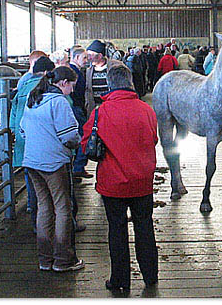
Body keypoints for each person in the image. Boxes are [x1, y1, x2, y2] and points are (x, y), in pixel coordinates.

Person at [81, 64, 158, 292]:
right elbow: (154, 139)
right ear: (131, 83)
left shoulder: (100, 113)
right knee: (145, 227)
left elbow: (87, 145)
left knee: (117, 229)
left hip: (112, 183)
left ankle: (120, 281)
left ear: (110, 84)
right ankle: (150, 275)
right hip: (142, 181)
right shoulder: (146, 110)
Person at [20, 66, 84, 272]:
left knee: (44, 207)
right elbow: (69, 136)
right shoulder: (59, 102)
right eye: (72, 86)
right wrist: (77, 144)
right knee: (63, 208)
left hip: (31, 162)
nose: (73, 91)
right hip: (54, 163)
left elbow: (22, 130)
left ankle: (45, 258)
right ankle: (63, 259)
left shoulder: (34, 98)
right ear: (63, 83)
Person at [9, 56, 56, 231]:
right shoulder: (44, 88)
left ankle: (32, 208)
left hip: (24, 138)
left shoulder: (22, 86)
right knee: (48, 182)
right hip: (41, 138)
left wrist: (15, 130)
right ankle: (48, 219)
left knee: (30, 175)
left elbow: (13, 114)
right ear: (45, 72)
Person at [68, 46, 92, 179]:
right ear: (76, 57)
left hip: (77, 107)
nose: (86, 60)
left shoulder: (76, 70)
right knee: (84, 135)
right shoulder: (73, 72)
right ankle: (78, 166)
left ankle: (78, 166)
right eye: (84, 58)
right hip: (75, 107)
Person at [84, 39, 122, 118]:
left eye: (91, 55)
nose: (88, 58)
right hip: (96, 109)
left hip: (113, 108)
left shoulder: (116, 66)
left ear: (100, 55)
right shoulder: (88, 70)